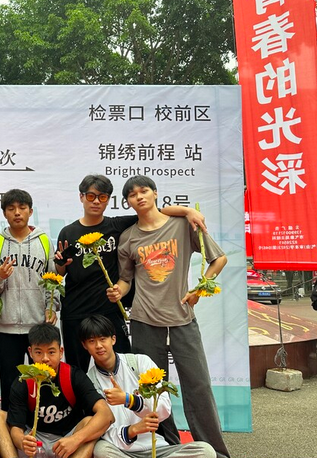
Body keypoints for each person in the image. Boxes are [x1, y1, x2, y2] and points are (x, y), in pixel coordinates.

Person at [107, 176, 229, 458]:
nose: (139, 197)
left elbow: (219, 259)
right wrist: (118, 291)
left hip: (182, 319)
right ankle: (166, 446)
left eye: (144, 191)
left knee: (198, 386)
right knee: (152, 390)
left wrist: (200, 288)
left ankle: (216, 452)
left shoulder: (183, 225)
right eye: (132, 194)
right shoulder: (128, 238)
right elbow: (126, 280)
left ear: (155, 193)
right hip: (144, 322)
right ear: (127, 202)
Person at [56, 174, 205, 372]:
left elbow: (155, 212)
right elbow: (61, 273)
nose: (96, 201)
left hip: (110, 310)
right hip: (75, 311)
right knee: (76, 369)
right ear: (81, 197)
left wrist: (188, 211)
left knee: (124, 367)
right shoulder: (68, 232)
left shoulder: (118, 226)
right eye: (91, 196)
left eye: (102, 197)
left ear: (108, 200)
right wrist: (61, 264)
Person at [81, 315, 216, 458]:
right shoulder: (88, 381)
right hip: (122, 451)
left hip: (157, 448)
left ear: (113, 339)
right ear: (84, 345)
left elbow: (164, 408)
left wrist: (130, 400)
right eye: (92, 341)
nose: (99, 346)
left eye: (103, 339)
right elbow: (100, 430)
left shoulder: (140, 362)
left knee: (206, 451)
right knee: (101, 450)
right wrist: (132, 430)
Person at [0, 188, 57, 411]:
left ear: (30, 211)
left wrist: (52, 307)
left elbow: (53, 280)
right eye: (11, 208)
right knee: (9, 383)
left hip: (38, 325)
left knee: (42, 381)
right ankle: (10, 424)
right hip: (6, 327)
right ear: (4, 213)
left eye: (22, 208)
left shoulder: (44, 241)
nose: (17, 212)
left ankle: (42, 422)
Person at [0, 323, 113, 458]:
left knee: (90, 422)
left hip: (67, 442)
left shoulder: (74, 376)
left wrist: (75, 439)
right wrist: (23, 442)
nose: (45, 359)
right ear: (30, 352)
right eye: (38, 352)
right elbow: (16, 428)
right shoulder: (22, 381)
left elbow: (107, 414)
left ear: (61, 352)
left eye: (51, 352)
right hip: (34, 441)